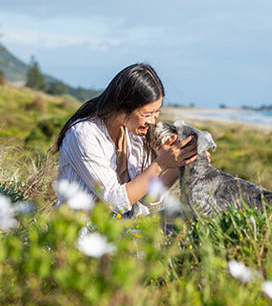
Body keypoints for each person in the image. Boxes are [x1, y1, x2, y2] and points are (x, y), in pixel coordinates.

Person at [54, 63, 197, 217]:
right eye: (147, 114)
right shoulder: (84, 134)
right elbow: (114, 201)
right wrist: (160, 164)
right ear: (123, 106)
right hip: (87, 233)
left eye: (157, 113)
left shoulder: (134, 132)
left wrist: (178, 165)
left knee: (189, 217)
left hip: (127, 229)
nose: (152, 121)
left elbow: (147, 199)